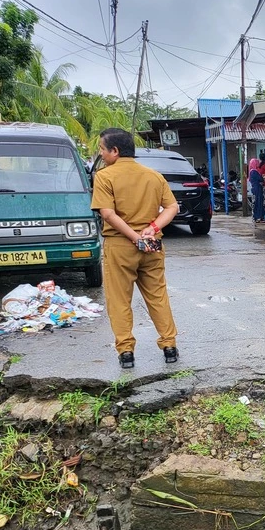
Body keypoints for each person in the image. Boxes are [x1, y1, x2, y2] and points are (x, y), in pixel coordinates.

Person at [91, 128, 179, 368]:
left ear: (115, 151)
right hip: (152, 243)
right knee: (157, 296)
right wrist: (152, 228)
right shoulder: (153, 176)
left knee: (119, 300)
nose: (101, 154)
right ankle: (169, 346)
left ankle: (126, 352)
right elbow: (172, 207)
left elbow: (108, 214)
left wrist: (134, 237)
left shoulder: (105, 176)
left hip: (121, 245)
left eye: (102, 149)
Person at [249, 157, 265, 223]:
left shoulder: (251, 171)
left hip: (255, 188)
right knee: (258, 202)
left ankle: (257, 217)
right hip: (257, 188)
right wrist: (262, 178)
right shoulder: (254, 172)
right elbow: (261, 179)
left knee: (257, 202)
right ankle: (258, 217)